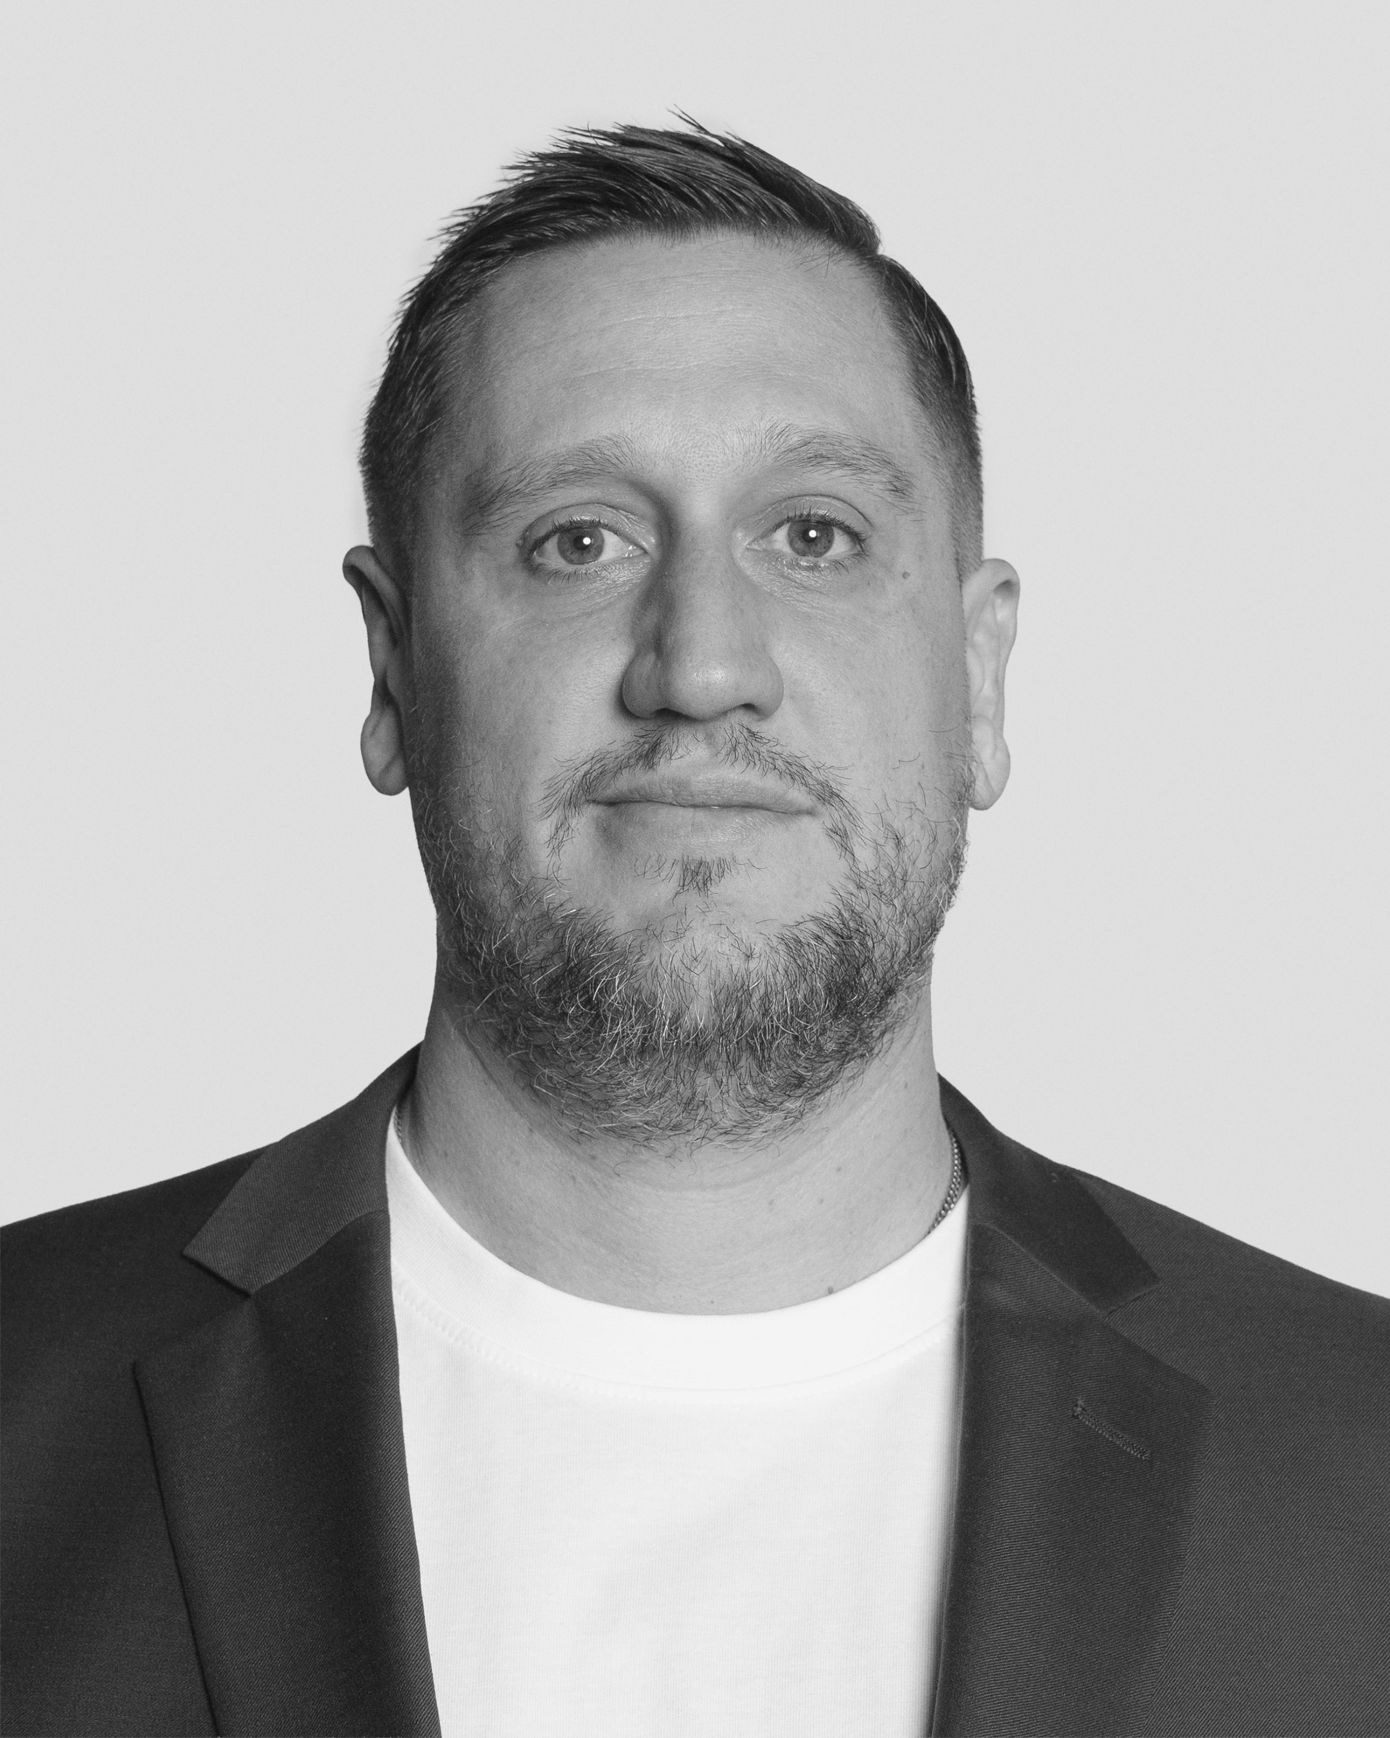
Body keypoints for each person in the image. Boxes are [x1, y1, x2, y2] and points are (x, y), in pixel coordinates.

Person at [3, 120, 1387, 1738]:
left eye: (814, 535)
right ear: (391, 666)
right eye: (576, 541)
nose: (704, 663)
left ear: (979, 675)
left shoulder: (1355, 1461)